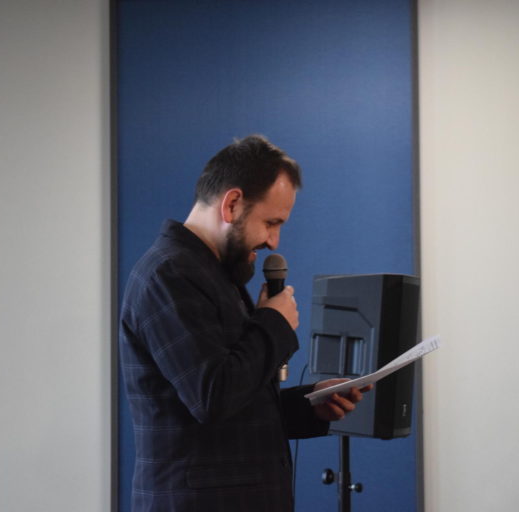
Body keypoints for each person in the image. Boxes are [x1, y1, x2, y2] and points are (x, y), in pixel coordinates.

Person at [119, 135, 370, 511]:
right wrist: (273, 322)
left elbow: (237, 403)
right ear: (232, 204)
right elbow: (212, 397)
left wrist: (310, 405)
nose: (274, 242)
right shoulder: (170, 274)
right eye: (271, 223)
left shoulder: (212, 274)